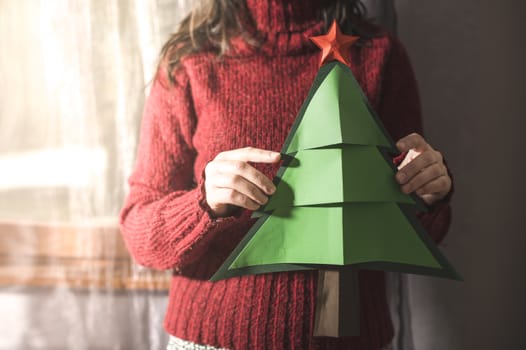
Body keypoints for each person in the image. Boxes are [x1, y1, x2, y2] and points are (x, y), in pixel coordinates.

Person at [119, 0, 453, 349]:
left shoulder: (377, 53)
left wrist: (429, 192)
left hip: (349, 339)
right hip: (211, 338)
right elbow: (140, 234)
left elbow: (421, 233)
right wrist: (204, 205)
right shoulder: (191, 61)